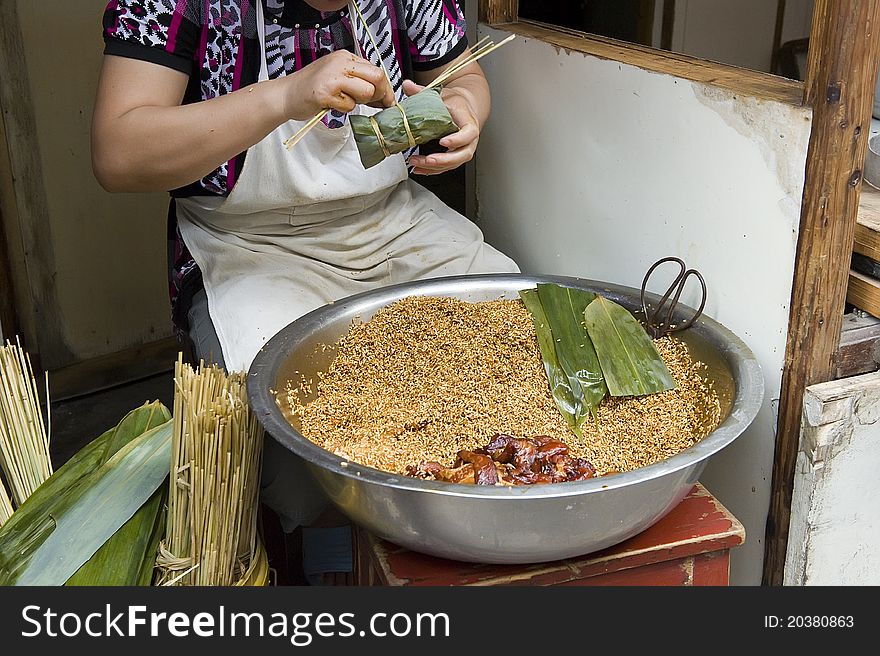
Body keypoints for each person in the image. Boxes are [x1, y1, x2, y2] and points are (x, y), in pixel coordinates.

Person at [93, 0, 519, 582]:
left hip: (394, 221)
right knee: (292, 429)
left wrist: (464, 107)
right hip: (249, 243)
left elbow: (464, 72)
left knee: (516, 344)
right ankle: (328, 570)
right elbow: (118, 152)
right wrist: (283, 97)